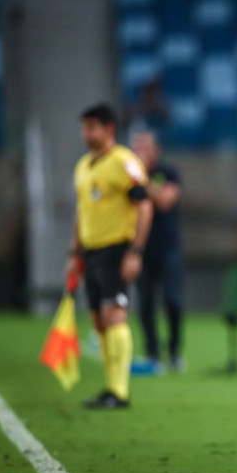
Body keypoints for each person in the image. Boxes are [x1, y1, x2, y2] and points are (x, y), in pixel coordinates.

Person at [66, 104, 153, 409]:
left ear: (109, 129)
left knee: (114, 315)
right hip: (90, 252)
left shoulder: (124, 162)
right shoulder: (83, 166)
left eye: (91, 127)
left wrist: (136, 251)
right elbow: (82, 211)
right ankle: (111, 386)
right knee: (98, 320)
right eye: (84, 127)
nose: (86, 133)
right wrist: (74, 251)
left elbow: (144, 205)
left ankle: (120, 391)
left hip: (117, 248)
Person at [130, 131, 185, 373]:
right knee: (145, 302)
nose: (138, 152)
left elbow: (165, 200)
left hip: (168, 248)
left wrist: (141, 178)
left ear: (156, 150)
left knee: (173, 300)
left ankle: (174, 352)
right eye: (135, 147)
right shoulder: (127, 178)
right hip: (141, 249)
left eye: (143, 147)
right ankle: (152, 352)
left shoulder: (167, 173)